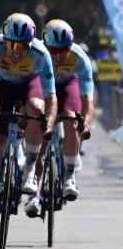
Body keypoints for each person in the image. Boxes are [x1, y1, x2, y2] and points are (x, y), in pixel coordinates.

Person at [0, 13, 56, 229]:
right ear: (4, 40)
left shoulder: (40, 52)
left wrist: (48, 124)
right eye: (12, 45)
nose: (17, 51)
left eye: (23, 46)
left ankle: (30, 171)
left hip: (28, 84)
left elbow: (51, 98)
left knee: (36, 109)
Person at [33, 20, 93, 208]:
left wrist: (85, 124)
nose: (58, 55)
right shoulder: (36, 52)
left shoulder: (80, 57)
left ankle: (69, 176)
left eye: (64, 50)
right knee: (39, 119)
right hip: (43, 85)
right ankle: (33, 183)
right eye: (53, 50)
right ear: (45, 46)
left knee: (72, 119)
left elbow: (88, 100)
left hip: (68, 85)